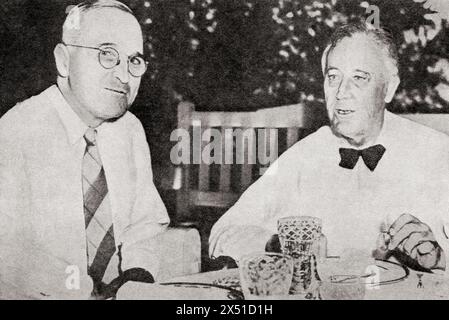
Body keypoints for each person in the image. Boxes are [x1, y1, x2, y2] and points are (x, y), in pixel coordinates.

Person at [209, 22, 449, 273]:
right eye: (333, 77)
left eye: (359, 78)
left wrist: (439, 258)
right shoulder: (304, 155)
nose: (341, 92)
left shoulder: (437, 152)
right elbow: (223, 233)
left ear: (389, 88)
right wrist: (277, 246)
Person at [0, 0, 170, 299]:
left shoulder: (128, 129)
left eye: (134, 60)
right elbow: (11, 250)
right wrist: (86, 291)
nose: (124, 75)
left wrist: (137, 275)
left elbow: (145, 222)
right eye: (107, 54)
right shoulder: (16, 131)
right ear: (64, 60)